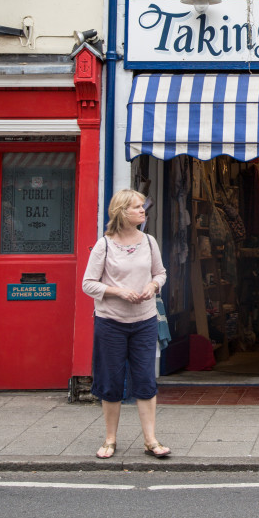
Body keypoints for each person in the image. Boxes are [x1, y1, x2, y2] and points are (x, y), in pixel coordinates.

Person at [82, 189, 171, 459]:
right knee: (110, 380)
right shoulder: (104, 245)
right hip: (111, 323)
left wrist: (153, 285)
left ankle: (151, 440)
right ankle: (110, 439)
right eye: (136, 207)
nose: (143, 211)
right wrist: (118, 292)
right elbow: (88, 284)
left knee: (145, 379)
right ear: (122, 212)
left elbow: (161, 273)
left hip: (144, 321)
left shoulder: (149, 241)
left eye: (143, 206)